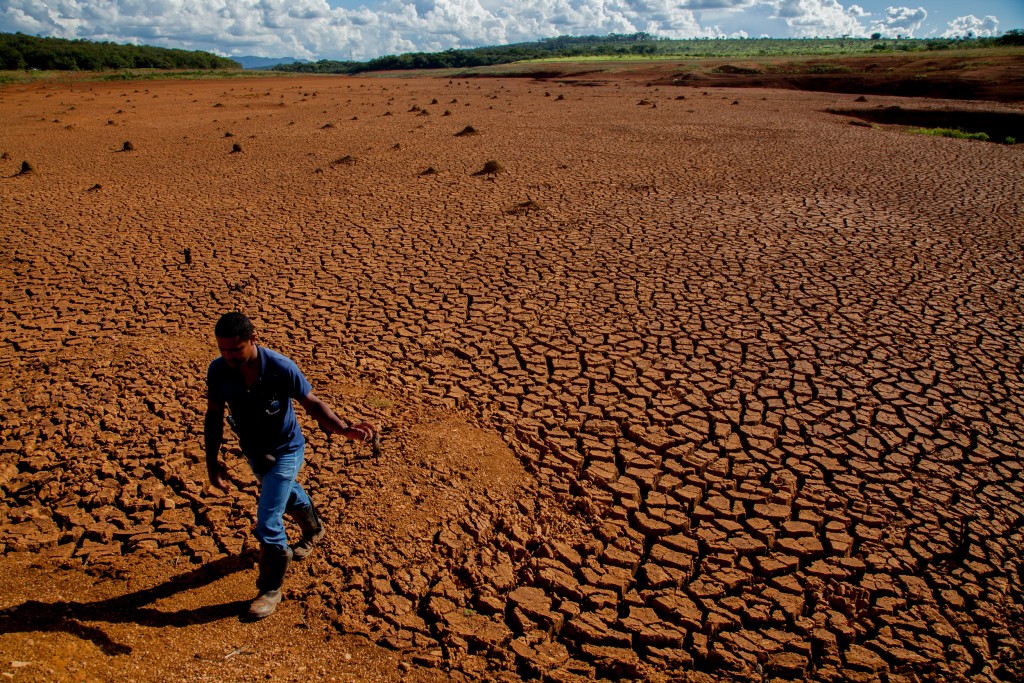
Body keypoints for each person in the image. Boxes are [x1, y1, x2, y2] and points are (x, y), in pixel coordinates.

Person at [204, 311, 375, 619]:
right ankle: (314, 530)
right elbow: (214, 415)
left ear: (253, 340)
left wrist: (344, 429)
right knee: (286, 494)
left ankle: (270, 589)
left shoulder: (281, 367)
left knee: (268, 518)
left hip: (286, 450)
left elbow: (312, 403)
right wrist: (211, 460)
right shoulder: (218, 371)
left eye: (235, 349)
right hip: (256, 452)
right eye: (222, 349)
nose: (228, 356)